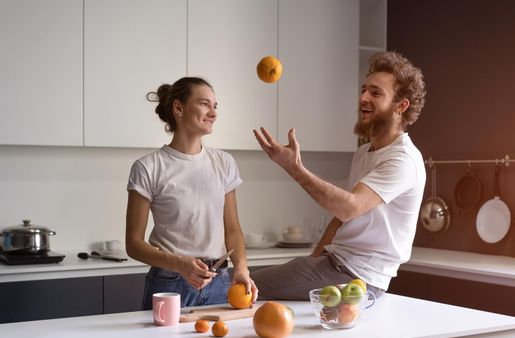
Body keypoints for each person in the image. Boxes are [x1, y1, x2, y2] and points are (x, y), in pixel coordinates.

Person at [251, 51, 426, 299]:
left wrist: (294, 168)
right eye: (364, 90)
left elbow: (349, 208)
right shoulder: (365, 152)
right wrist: (313, 262)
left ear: (401, 105)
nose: (363, 97)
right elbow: (341, 220)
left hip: (360, 277)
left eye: (376, 93)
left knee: (241, 286)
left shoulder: (403, 159)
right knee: (244, 284)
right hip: (337, 265)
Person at [125, 77, 258, 309]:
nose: (213, 112)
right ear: (179, 108)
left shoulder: (224, 162)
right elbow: (133, 244)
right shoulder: (148, 167)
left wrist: (242, 269)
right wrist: (180, 264)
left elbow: (233, 229)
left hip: (220, 281)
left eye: (215, 106)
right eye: (205, 104)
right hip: (170, 284)